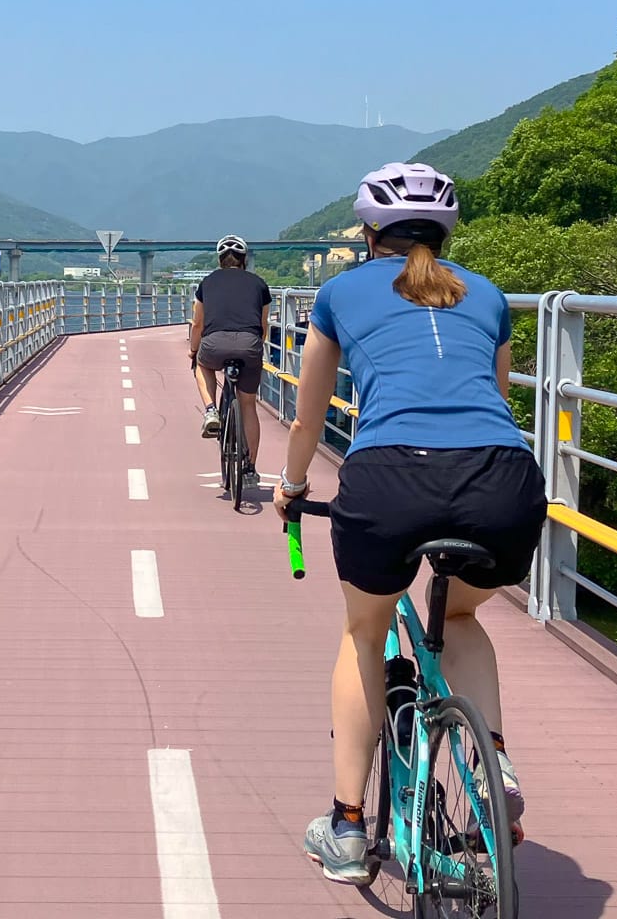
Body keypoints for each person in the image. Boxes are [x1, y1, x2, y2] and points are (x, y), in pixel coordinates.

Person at [273, 162, 546, 885]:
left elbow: (307, 418)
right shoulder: (487, 295)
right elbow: (494, 401)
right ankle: (492, 765)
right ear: (446, 232)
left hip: (389, 477)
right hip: (503, 479)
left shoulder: (338, 294)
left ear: (369, 234)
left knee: (364, 633)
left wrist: (292, 487)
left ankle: (347, 827)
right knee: (459, 618)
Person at [190, 235, 272, 489]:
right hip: (249, 344)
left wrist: (193, 350)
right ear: (244, 260)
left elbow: (198, 323)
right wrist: (255, 347)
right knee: (248, 405)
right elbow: (263, 325)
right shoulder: (259, 284)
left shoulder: (207, 282)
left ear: (220, 260)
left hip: (214, 343)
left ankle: (211, 410)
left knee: (202, 364)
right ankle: (250, 469)